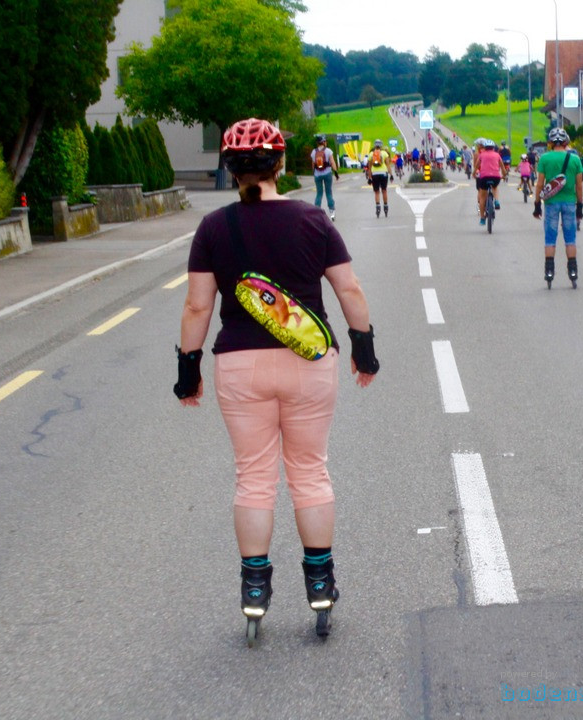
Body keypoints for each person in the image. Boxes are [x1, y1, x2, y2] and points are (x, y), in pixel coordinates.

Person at [174, 118, 380, 644]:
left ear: (229, 168)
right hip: (309, 363)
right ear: (281, 165)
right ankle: (319, 584)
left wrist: (188, 371)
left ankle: (255, 590)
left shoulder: (214, 228)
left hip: (240, 367)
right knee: (310, 472)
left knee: (253, 478)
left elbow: (199, 304)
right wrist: (363, 350)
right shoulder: (313, 220)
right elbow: (349, 290)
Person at [533, 127, 583, 287]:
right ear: (565, 142)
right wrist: (580, 206)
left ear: (550, 143)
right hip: (569, 202)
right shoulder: (575, 159)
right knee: (570, 239)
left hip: (551, 204)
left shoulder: (544, 159)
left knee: (550, 238)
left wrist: (537, 204)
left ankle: (549, 271)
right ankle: (573, 271)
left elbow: (540, 184)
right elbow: (579, 186)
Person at [472, 138, 504, 226]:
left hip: (484, 177)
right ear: (493, 148)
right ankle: (497, 201)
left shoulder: (481, 155)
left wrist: (474, 174)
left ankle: (482, 218)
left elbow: (476, 166)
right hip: (495, 177)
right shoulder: (497, 155)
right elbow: (502, 167)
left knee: (482, 197)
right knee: (495, 187)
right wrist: (504, 175)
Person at [310, 135, 339, 220]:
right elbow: (332, 162)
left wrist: (314, 173)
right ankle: (332, 212)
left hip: (317, 175)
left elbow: (313, 165)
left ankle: (316, 212)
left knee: (319, 193)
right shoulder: (328, 151)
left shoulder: (313, 152)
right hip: (327, 173)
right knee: (328, 193)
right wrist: (336, 173)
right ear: (323, 142)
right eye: (325, 141)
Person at [367, 139, 393, 218]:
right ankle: (385, 206)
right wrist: (391, 174)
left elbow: (369, 167)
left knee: (377, 192)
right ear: (381, 145)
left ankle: (378, 207)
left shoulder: (371, 154)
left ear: (375, 145)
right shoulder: (384, 153)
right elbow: (388, 165)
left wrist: (369, 177)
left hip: (374, 174)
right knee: (384, 190)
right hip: (383, 173)